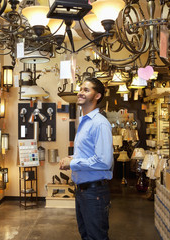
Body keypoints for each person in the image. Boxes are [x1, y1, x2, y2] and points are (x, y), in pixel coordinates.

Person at [60, 77, 113, 240]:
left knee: (96, 237)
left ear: (97, 96)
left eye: (86, 90)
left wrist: (74, 163)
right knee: (86, 236)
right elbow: (90, 154)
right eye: (80, 89)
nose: (80, 92)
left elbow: (104, 161)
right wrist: (73, 158)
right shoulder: (85, 122)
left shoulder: (99, 123)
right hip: (83, 191)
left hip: (94, 192)